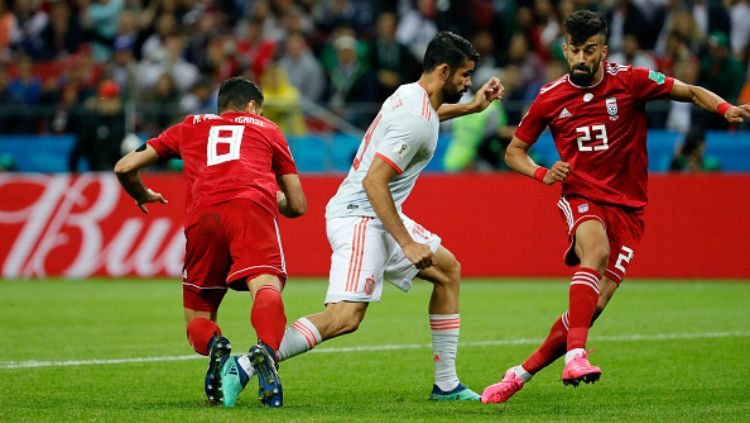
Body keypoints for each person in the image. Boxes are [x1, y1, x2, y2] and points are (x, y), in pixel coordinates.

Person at [218, 31, 504, 406]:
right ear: (444, 71)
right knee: (344, 317)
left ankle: (446, 385)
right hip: (360, 216)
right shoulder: (414, 117)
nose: (469, 84)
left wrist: (471, 108)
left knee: (448, 271)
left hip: (377, 213)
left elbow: (431, 115)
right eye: (465, 76)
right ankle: (244, 365)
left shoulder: (412, 95)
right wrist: (406, 242)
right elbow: (374, 181)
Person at [481, 10, 750, 404]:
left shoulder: (631, 81)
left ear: (603, 50)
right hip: (581, 195)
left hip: (630, 208)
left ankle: (519, 374)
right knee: (597, 250)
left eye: (590, 51)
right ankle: (576, 354)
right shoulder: (549, 98)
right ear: (565, 49)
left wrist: (726, 109)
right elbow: (513, 152)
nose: (581, 59)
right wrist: (542, 174)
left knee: (595, 306)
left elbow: (690, 91)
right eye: (575, 50)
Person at [113, 77, 307, 408]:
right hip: (250, 210)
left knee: (198, 311)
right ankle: (266, 352)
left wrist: (140, 193)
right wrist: (267, 194)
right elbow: (298, 204)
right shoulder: (267, 128)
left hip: (203, 215)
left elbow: (124, 167)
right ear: (251, 107)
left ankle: (216, 346)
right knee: (265, 286)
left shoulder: (189, 126)